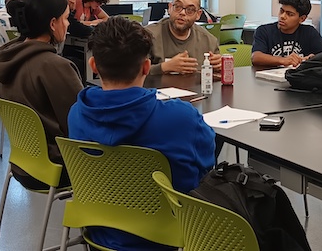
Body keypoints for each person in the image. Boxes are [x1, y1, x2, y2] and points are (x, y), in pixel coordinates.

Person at [68, 17, 215, 251]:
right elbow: (207, 165)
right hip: (168, 235)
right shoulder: (181, 117)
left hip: (100, 232)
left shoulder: (77, 114)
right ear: (146, 67)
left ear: (93, 66)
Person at [0, 0, 84, 190]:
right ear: (53, 24)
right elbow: (80, 125)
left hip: (24, 163)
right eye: (66, 19)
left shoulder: (6, 60)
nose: (68, 25)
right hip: (57, 167)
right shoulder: (54, 66)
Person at [144, 0, 221, 75]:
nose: (182, 13)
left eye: (190, 10)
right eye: (177, 7)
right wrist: (164, 67)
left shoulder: (209, 41)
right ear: (170, 8)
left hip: (196, 88)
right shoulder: (148, 36)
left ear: (198, 14)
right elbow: (132, 73)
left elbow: (217, 75)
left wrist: (220, 66)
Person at [252, 0, 322, 67]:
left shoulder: (309, 32)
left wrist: (315, 58)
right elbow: (256, 57)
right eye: (281, 11)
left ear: (302, 19)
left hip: (298, 78)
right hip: (268, 78)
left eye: (289, 14)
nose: (282, 16)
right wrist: (283, 60)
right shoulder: (264, 31)